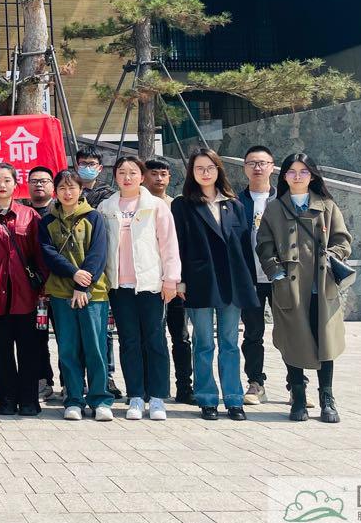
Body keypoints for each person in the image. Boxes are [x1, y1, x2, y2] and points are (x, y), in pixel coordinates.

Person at [256, 153, 352, 423]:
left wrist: (331, 257)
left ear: (312, 175)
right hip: (289, 287)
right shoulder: (274, 209)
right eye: (292, 172)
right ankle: (298, 397)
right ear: (284, 176)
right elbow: (264, 245)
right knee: (292, 341)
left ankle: (327, 399)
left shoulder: (327, 206)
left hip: (321, 286)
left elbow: (343, 241)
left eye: (303, 172)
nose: (297, 177)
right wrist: (276, 272)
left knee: (326, 341)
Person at [172, 148, 259, 421]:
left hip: (232, 283)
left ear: (218, 169)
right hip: (199, 282)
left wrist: (249, 284)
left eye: (210, 167)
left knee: (230, 342)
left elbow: (244, 248)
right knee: (203, 343)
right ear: (192, 172)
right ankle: (207, 398)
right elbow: (179, 245)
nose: (205, 173)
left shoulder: (234, 205)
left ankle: (233, 399)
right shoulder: (183, 205)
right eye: (199, 168)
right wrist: (180, 281)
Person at [97, 157, 182, 421]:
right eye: (122, 172)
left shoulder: (155, 206)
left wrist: (170, 279)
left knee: (155, 339)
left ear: (142, 177)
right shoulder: (106, 207)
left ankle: (157, 397)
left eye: (133, 172)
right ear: (115, 176)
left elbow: (169, 244)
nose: (127, 177)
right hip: (118, 285)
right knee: (129, 341)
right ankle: (135, 395)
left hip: (150, 284)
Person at [0, 162, 47, 416]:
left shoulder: (30, 216)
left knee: (28, 349)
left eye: (7, 180)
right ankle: (6, 400)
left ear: (16, 184)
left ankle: (29, 401)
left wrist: (42, 287)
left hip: (25, 294)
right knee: (3, 351)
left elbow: (40, 255)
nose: (2, 185)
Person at [39, 170, 112, 421]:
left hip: (93, 294)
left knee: (95, 348)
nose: (67, 192)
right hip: (61, 292)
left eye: (72, 188)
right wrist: (74, 274)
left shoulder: (94, 217)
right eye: (62, 188)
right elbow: (48, 253)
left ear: (81, 190)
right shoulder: (47, 221)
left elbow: (98, 253)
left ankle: (100, 399)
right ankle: (74, 399)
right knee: (68, 348)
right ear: (55, 192)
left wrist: (83, 285)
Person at [143, 159, 193, 403]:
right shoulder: (139, 206)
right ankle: (151, 388)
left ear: (170, 177)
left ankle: (185, 387)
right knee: (151, 337)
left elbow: (183, 248)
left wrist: (180, 282)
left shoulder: (178, 206)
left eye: (163, 174)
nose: (159, 179)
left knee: (180, 337)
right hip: (148, 284)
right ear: (144, 177)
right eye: (154, 174)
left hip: (176, 284)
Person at [76, 147, 122, 400]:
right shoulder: (69, 192)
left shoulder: (108, 197)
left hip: (100, 272)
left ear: (100, 168)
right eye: (83, 163)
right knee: (72, 332)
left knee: (103, 330)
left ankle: (107, 377)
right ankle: (74, 380)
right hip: (71, 272)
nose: (87, 167)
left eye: (92, 164)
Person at [238, 145, 278, 407]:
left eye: (263, 163)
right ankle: (255, 382)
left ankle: (297, 383)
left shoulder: (282, 200)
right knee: (253, 333)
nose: (258, 167)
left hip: (280, 277)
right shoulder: (236, 202)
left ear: (272, 167)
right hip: (249, 279)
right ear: (245, 168)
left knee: (289, 332)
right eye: (252, 163)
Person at [19, 165, 58, 400]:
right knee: (37, 337)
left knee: (67, 338)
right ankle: (43, 381)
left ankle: (72, 383)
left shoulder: (60, 211)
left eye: (44, 181)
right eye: (34, 181)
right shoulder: (21, 213)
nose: (39, 185)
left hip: (62, 286)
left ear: (53, 186)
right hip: (34, 288)